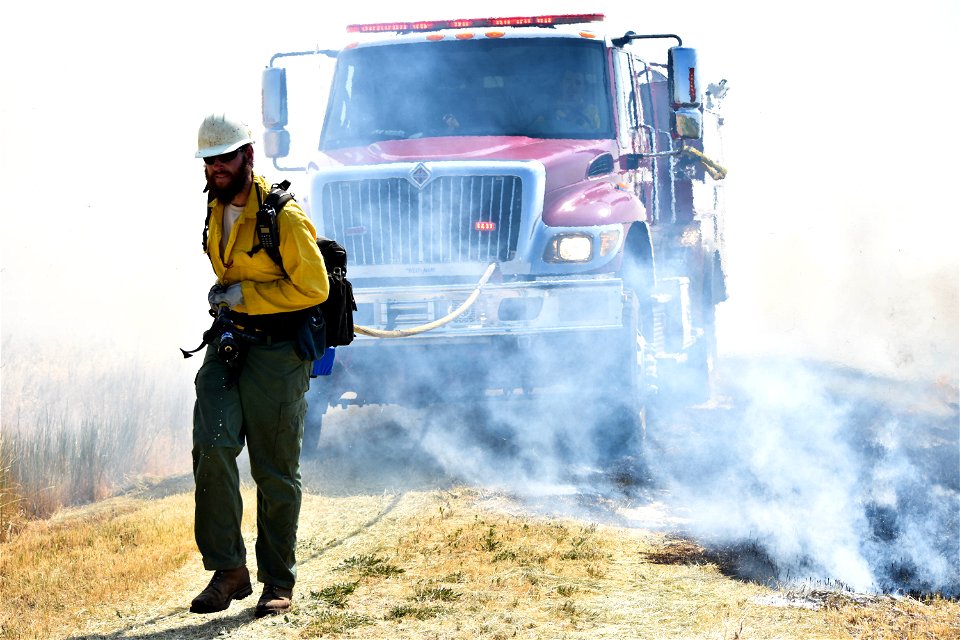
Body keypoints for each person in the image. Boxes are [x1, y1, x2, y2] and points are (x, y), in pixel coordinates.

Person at [188, 113, 329, 618]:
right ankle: (228, 571)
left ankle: (277, 580)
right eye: (209, 161)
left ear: (248, 156)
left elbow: (315, 288)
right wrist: (226, 298)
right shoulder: (214, 203)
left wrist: (246, 294)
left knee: (274, 470)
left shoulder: (283, 217)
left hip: (277, 353)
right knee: (212, 447)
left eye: (225, 158)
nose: (216, 168)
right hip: (228, 344)